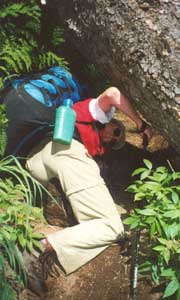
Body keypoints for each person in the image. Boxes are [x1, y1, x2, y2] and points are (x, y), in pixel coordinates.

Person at [24, 87, 152, 296]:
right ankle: (37, 250)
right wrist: (141, 124)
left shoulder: (91, 142)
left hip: (39, 160)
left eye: (113, 142)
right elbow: (113, 93)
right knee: (113, 226)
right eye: (116, 132)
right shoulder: (96, 112)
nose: (111, 138)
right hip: (69, 153)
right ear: (111, 120)